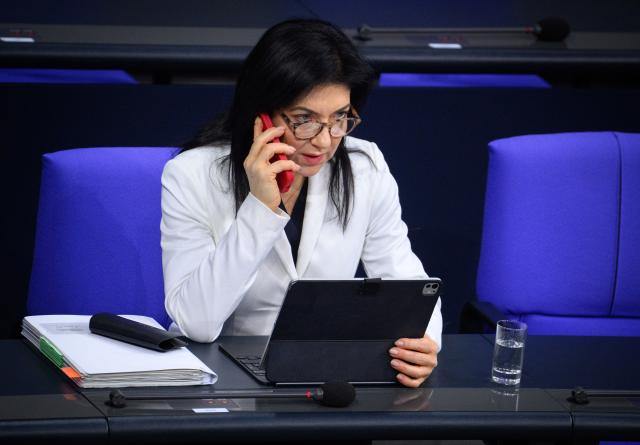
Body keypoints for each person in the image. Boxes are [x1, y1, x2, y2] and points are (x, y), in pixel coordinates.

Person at [160, 18, 442, 387]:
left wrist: (423, 344)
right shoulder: (192, 175)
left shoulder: (365, 167)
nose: (325, 141)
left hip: (325, 374)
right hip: (221, 380)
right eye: (304, 120)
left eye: (340, 118)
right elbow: (196, 322)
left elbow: (408, 285)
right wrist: (260, 211)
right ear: (260, 114)